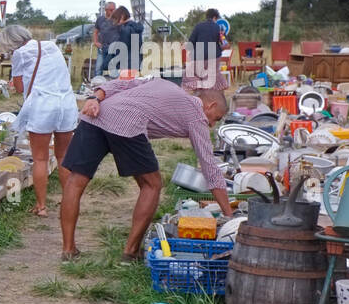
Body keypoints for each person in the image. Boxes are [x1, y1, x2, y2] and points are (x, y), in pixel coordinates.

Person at [59, 78, 232, 263]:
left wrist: (95, 98)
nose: (212, 125)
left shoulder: (163, 83)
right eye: (216, 118)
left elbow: (120, 84)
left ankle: (68, 250)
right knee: (152, 185)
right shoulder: (197, 115)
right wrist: (229, 215)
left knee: (75, 181)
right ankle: (130, 252)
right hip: (127, 123)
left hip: (95, 114)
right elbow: (209, 167)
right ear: (210, 105)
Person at [0, 24, 78, 217]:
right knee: (64, 157)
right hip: (66, 104)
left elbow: (18, 87)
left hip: (43, 105)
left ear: (11, 43)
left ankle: (41, 206)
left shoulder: (20, 54)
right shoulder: (52, 46)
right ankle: (70, 203)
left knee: (41, 158)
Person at [184, 8, 226, 91]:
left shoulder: (198, 26)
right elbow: (223, 43)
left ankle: (199, 97)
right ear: (214, 17)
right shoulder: (218, 27)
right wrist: (220, 50)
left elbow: (190, 44)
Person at [107, 5, 144, 75]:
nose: (114, 22)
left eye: (115, 18)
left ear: (122, 16)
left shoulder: (125, 30)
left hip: (125, 65)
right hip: (136, 63)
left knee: (123, 85)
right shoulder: (136, 28)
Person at [93, 1, 118, 76]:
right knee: (99, 67)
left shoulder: (118, 20)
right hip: (102, 47)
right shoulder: (100, 19)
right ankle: (97, 84)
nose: (113, 11)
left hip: (114, 48)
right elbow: (95, 32)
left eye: (114, 9)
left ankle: (115, 85)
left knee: (113, 68)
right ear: (105, 10)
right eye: (111, 10)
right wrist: (95, 42)